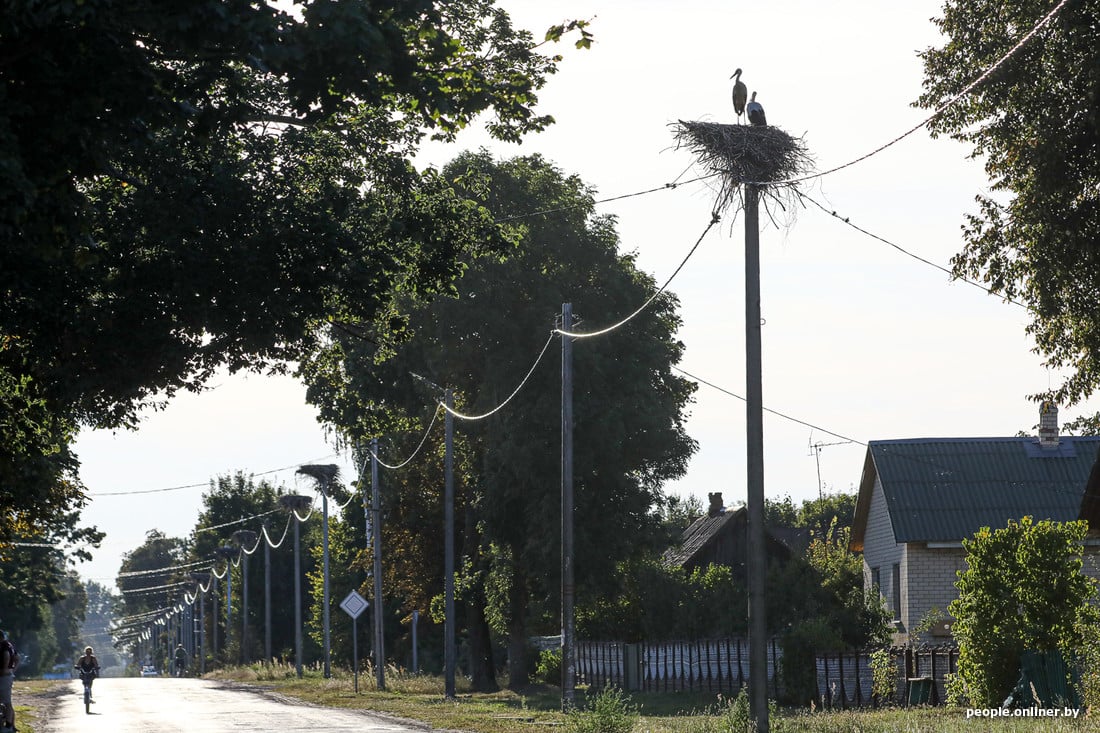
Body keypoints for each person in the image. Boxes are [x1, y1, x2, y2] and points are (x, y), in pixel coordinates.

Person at [0, 630, 18, 731]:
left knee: (6, 702)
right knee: (6, 702)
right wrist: (12, 670)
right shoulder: (9, 645)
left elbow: (6, 656)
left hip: (3, 676)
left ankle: (8, 726)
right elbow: (17, 658)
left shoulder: (4, 646)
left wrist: (4, 669)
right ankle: (11, 725)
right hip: (8, 675)